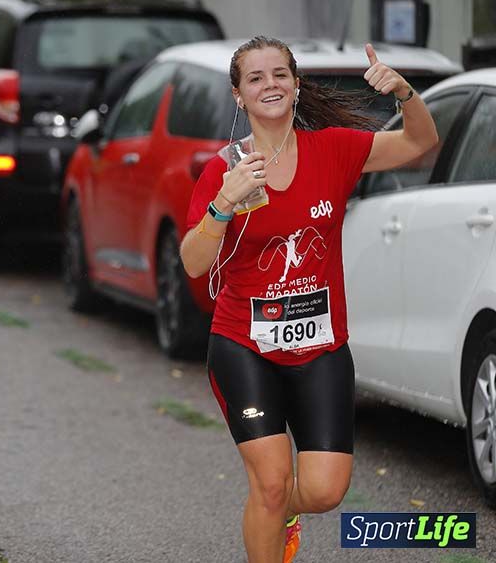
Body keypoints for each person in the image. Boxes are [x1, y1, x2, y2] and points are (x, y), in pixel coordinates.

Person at [180, 36, 438, 563]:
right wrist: (224, 204)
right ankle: (273, 513)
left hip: (320, 348)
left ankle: (280, 513)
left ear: (296, 85)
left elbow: (419, 144)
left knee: (323, 491)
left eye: (280, 74)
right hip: (244, 346)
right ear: (238, 95)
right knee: (271, 483)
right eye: (255, 78)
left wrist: (405, 93)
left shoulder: (334, 150)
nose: (269, 85)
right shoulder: (223, 170)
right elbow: (192, 262)